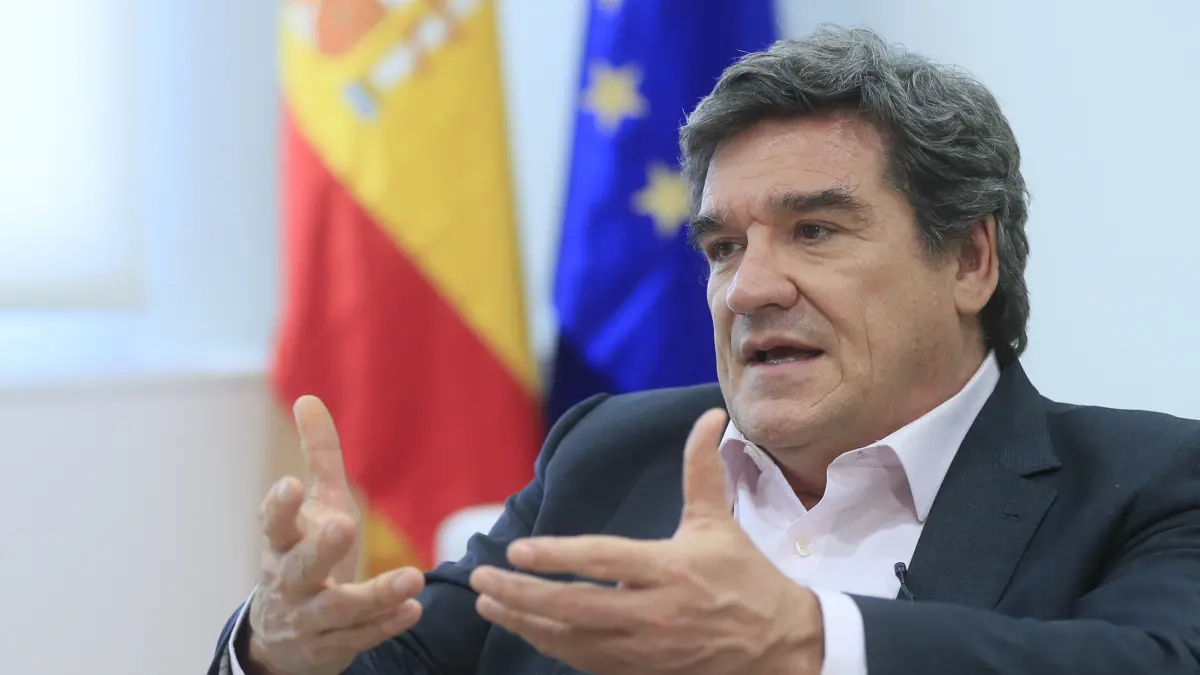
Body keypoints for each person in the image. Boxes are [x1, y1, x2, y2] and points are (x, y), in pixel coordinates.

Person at [208, 25, 1200, 675]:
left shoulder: (1150, 482)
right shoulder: (613, 452)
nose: (748, 288)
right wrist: (280, 644)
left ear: (970, 259)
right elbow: (410, 659)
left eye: (815, 231)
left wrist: (801, 639)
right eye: (723, 246)